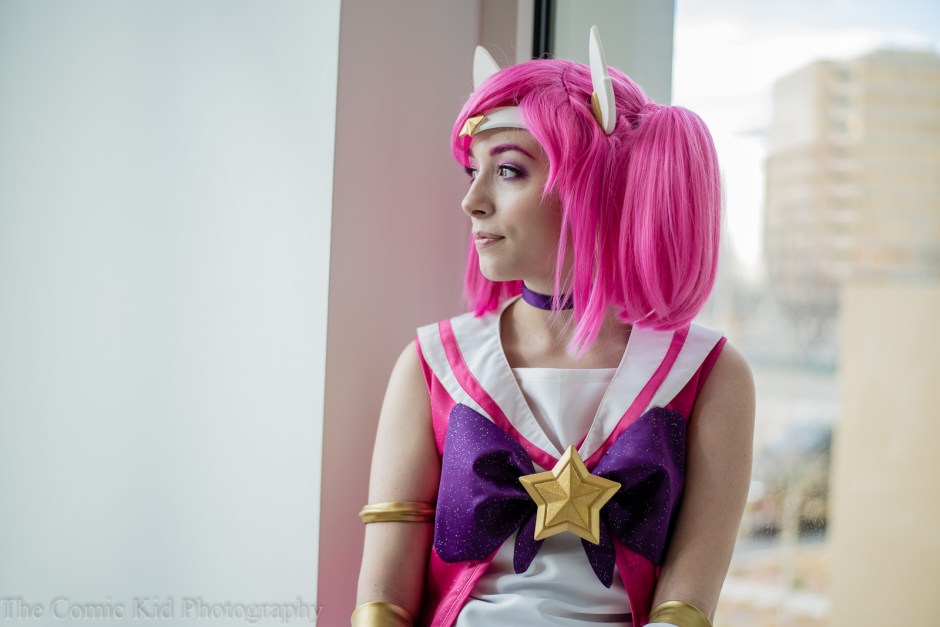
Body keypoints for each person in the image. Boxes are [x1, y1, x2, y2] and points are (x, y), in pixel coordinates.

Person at [353, 27, 754, 627]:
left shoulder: (709, 374)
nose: (472, 201)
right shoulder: (432, 363)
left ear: (597, 186)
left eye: (508, 171)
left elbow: (688, 602)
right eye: (472, 172)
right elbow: (383, 599)